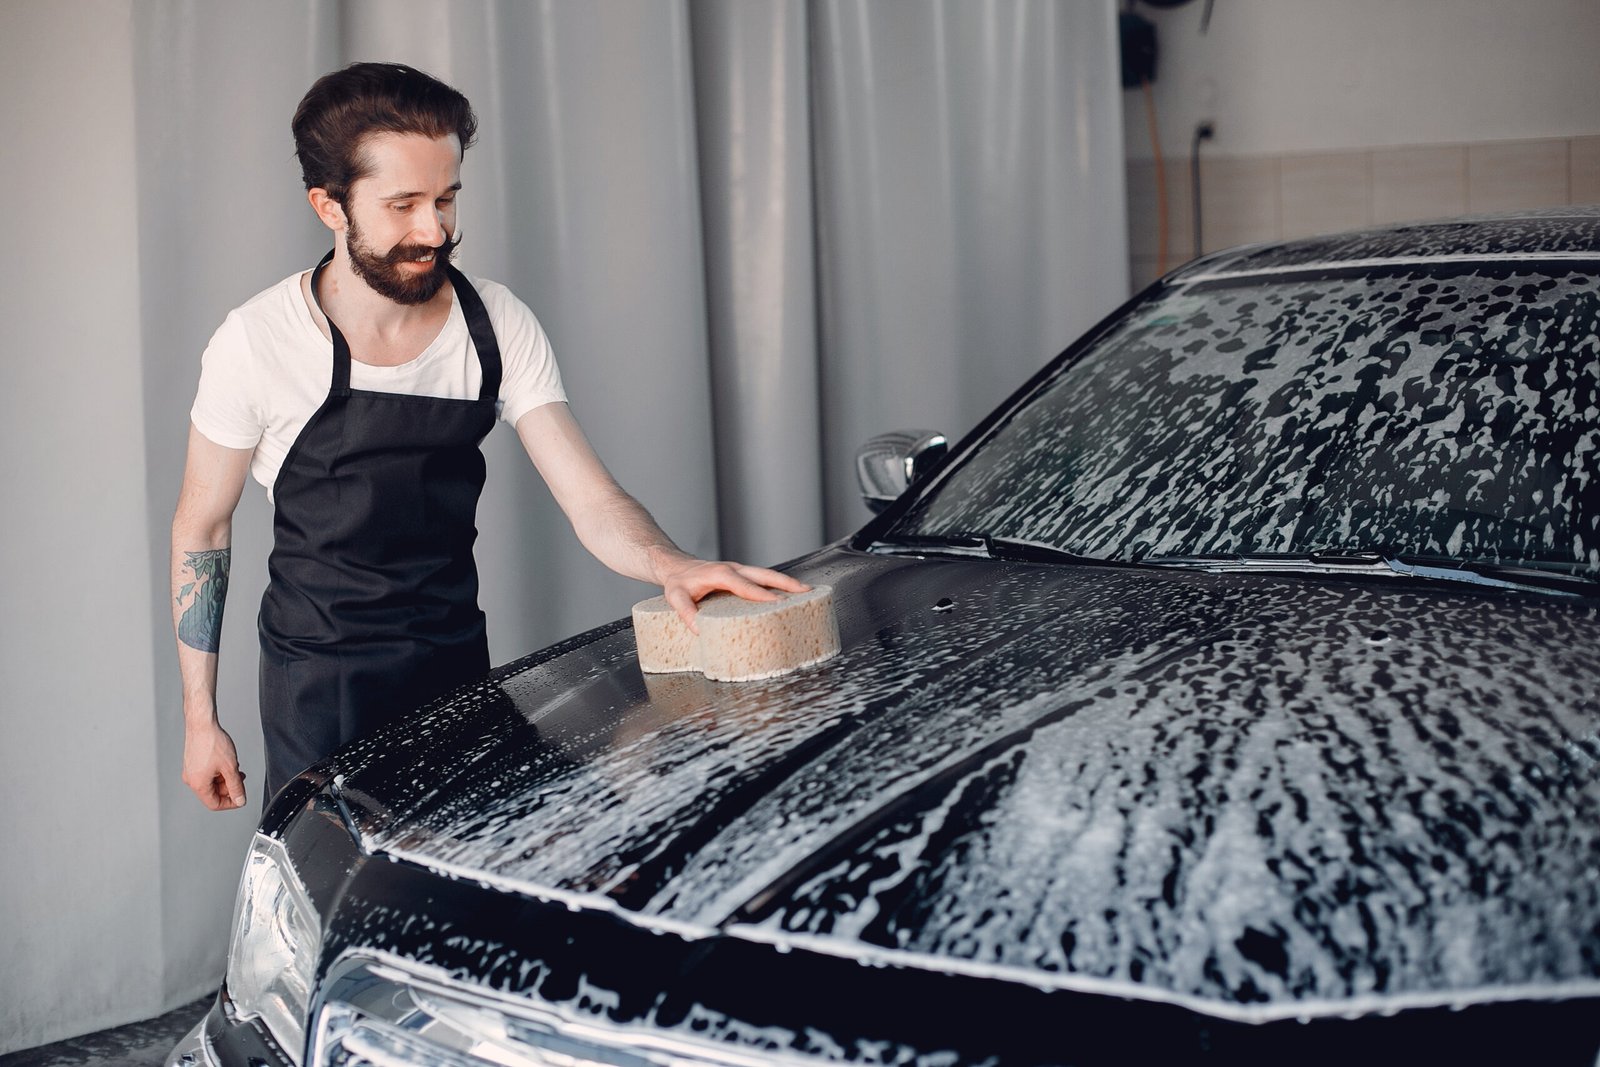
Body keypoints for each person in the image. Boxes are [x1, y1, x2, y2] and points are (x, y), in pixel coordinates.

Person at [171, 62, 805, 812]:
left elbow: (592, 499)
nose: (434, 230)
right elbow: (202, 528)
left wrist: (672, 564)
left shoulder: (495, 323)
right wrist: (201, 720)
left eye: (445, 198)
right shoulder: (258, 342)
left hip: (456, 668)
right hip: (320, 688)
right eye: (403, 205)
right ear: (329, 206)